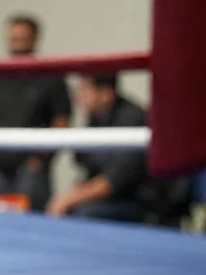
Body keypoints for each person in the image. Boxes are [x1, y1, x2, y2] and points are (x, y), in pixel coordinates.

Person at [0, 14, 71, 211]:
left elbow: (62, 121)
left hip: (31, 169)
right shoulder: (2, 75)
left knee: (30, 229)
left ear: (35, 38)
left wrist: (41, 159)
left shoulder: (51, 75)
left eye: (22, 38)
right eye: (13, 39)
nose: (17, 44)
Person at [46, 73, 152, 222]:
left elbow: (113, 181)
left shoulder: (132, 119)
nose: (79, 95)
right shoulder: (95, 119)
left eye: (85, 89)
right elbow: (85, 166)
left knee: (81, 212)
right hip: (110, 199)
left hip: (135, 201)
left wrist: (69, 198)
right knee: (66, 205)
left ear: (105, 94)